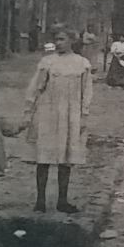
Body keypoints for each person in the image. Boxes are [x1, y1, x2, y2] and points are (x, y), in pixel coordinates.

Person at [22, 27, 93, 213]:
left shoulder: (82, 64)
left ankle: (62, 200)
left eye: (62, 39)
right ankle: (40, 200)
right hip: (48, 112)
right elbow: (36, 87)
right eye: (57, 39)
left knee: (65, 158)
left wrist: (84, 114)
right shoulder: (48, 62)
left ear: (72, 40)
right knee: (43, 157)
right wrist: (29, 110)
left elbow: (87, 92)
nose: (58, 43)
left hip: (70, 114)